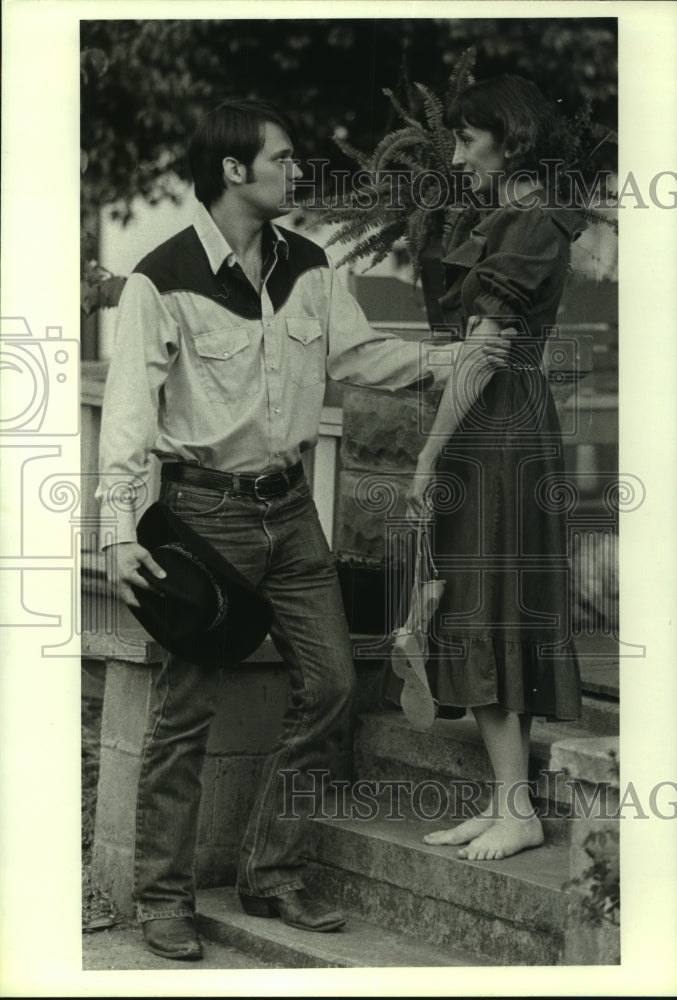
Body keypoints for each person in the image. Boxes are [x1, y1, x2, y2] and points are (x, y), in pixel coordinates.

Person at [97, 97, 513, 960]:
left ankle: (271, 871)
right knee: (185, 713)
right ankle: (163, 897)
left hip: (290, 513)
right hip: (202, 518)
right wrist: (114, 531)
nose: (299, 173)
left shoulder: (312, 264)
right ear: (232, 171)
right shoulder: (158, 279)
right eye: (283, 159)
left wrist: (447, 361)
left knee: (328, 687)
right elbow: (128, 419)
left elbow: (357, 356)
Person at [397, 76, 585, 861]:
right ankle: (505, 800)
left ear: (509, 141)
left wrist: (428, 456)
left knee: (487, 606)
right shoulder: (517, 219)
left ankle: (517, 810)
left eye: (467, 139)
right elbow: (477, 351)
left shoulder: (527, 222)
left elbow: (480, 360)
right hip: (503, 423)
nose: (454, 153)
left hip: (495, 428)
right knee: (481, 605)